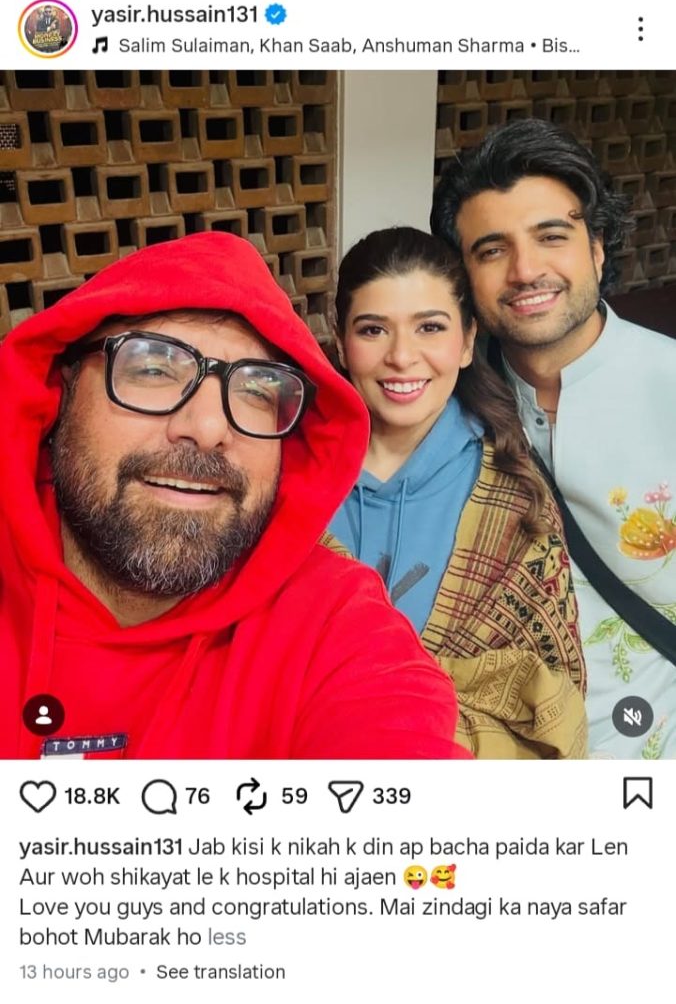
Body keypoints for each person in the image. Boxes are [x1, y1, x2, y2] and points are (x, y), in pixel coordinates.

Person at [0, 230, 470, 761]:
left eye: (255, 388)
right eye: (153, 368)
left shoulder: (335, 627)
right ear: (59, 391)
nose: (207, 427)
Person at [431, 117, 676, 759]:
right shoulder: (440, 403)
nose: (525, 270)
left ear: (596, 248)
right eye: (492, 250)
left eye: (551, 237)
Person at [327, 226, 587, 759]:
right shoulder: (284, 474)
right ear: (340, 342)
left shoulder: (514, 499)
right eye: (373, 330)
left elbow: (548, 698)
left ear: (467, 340)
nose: (402, 357)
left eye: (430, 327)